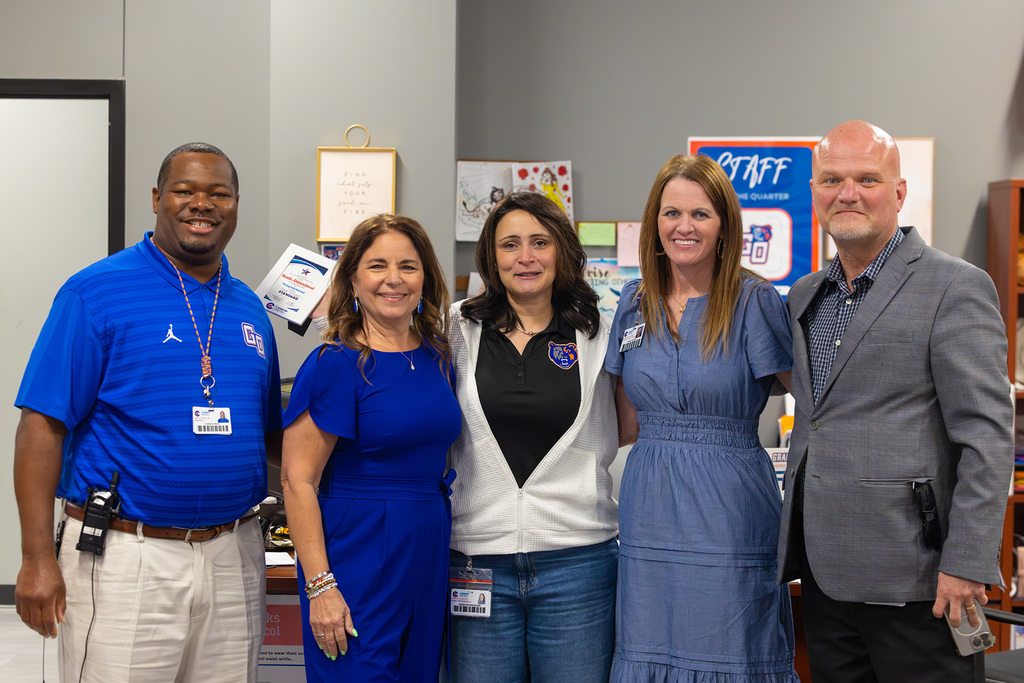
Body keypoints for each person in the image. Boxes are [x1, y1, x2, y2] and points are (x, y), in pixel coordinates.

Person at [13, 142, 282, 682]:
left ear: (235, 206)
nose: (201, 204)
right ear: (158, 198)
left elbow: (271, 435)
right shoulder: (95, 292)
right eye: (184, 190)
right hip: (126, 557)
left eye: (218, 193)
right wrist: (36, 555)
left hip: (236, 555)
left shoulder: (250, 307)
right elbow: (41, 426)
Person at [777, 120, 1014, 682]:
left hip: (922, 579)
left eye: (867, 178)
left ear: (899, 193)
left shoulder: (955, 287)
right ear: (815, 192)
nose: (847, 193)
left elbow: (986, 437)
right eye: (831, 179)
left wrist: (967, 563)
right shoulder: (807, 294)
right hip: (826, 575)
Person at [606, 154, 798, 681]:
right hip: (649, 506)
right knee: (650, 643)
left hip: (731, 507)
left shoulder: (754, 301)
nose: (683, 227)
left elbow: (816, 403)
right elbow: (624, 422)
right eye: (671, 214)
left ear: (724, 225)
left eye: (700, 214)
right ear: (655, 223)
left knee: (731, 645)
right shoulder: (633, 302)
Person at [446, 191, 619, 681]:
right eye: (510, 245)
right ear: (491, 258)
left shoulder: (598, 332)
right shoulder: (456, 328)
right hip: (476, 562)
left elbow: (627, 425)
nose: (525, 257)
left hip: (578, 563)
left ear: (561, 250)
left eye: (539, 242)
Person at [280, 214, 461, 681]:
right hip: (357, 551)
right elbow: (297, 481)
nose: (394, 279)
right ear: (353, 279)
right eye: (378, 265)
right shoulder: (334, 363)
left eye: (408, 266)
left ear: (426, 278)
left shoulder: (438, 356)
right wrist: (320, 587)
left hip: (426, 543)